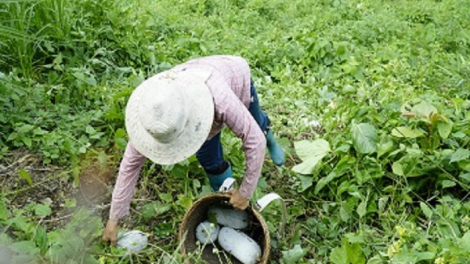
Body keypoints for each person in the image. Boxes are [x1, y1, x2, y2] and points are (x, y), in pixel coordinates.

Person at [102, 55, 285, 246]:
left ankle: (270, 138)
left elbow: (253, 139)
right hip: (197, 107)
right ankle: (225, 193)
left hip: (234, 77)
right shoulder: (156, 113)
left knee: (256, 123)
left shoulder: (220, 99)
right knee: (208, 157)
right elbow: (129, 166)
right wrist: (114, 218)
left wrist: (246, 192)